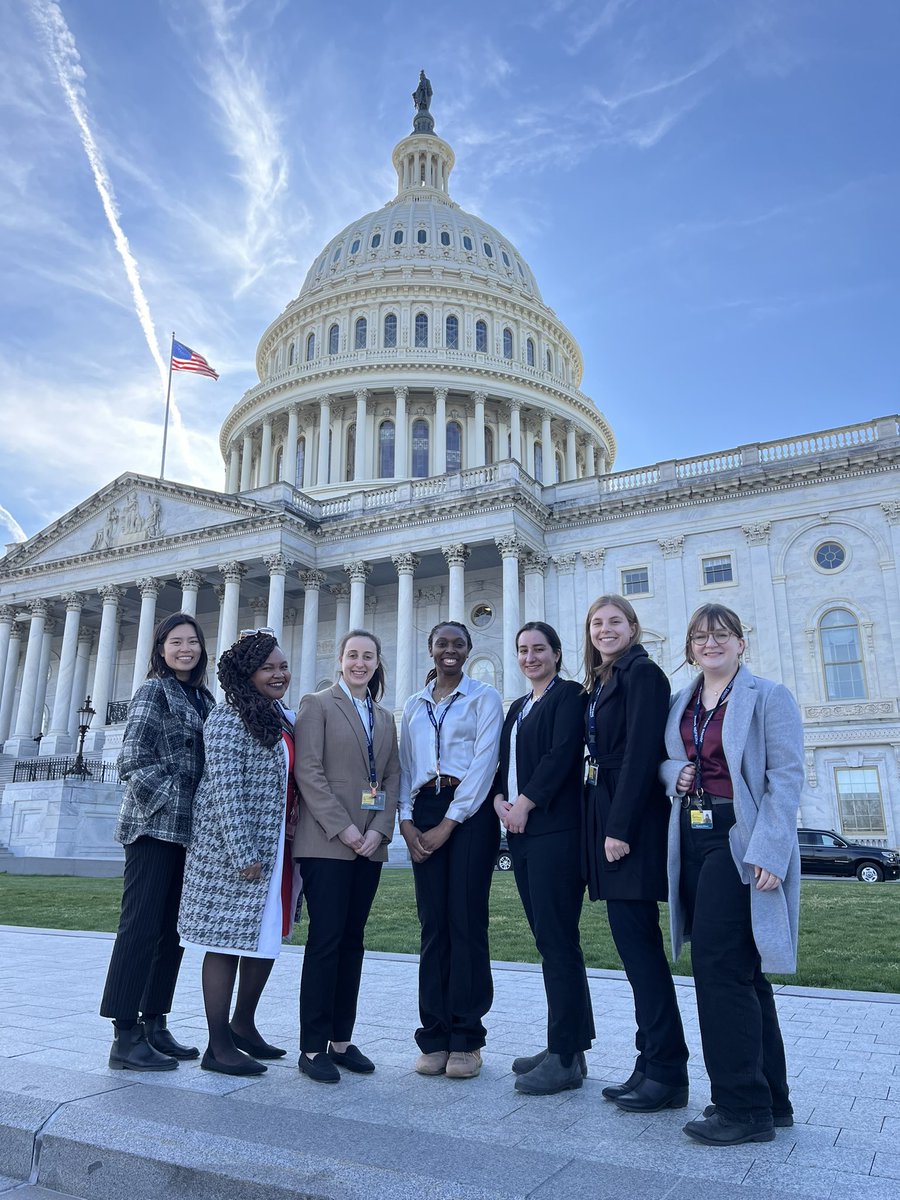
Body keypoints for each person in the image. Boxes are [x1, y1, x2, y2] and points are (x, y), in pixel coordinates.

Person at [661, 604, 803, 1146]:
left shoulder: (768, 697)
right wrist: (676, 772)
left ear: (741, 643)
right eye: (700, 636)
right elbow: (665, 760)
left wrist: (770, 851)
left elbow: (785, 778)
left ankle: (742, 1108)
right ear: (690, 647)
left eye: (721, 635)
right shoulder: (683, 702)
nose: (710, 643)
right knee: (744, 971)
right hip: (691, 838)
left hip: (739, 839)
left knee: (718, 966)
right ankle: (774, 1099)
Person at [582, 594, 690, 1112]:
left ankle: (667, 1070)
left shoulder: (642, 675)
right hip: (609, 814)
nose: (605, 630)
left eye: (615, 622)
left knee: (641, 953)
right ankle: (649, 1062)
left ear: (633, 627)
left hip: (632, 824)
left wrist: (618, 827)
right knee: (633, 951)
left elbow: (645, 750)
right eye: (597, 623)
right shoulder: (607, 678)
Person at [178, 630, 301, 1076]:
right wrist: (243, 851)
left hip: (276, 847)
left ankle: (244, 1024)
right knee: (225, 943)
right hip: (234, 852)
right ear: (247, 674)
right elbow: (226, 788)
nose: (278, 674)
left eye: (282, 666)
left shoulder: (281, 717)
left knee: (265, 938)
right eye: (268, 668)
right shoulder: (229, 718)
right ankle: (217, 1045)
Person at [100, 612, 215, 1071]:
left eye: (192, 641)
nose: (185, 649)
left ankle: (155, 1023)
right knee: (140, 927)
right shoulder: (153, 690)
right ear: (161, 649)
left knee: (172, 933)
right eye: (175, 642)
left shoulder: (204, 698)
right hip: (151, 828)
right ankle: (124, 1035)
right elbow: (132, 759)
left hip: (188, 833)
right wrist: (170, 799)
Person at [293, 630, 400, 1083]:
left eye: (368, 656)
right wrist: (346, 828)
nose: (360, 663)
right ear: (340, 661)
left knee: (353, 941)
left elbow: (391, 776)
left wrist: (377, 831)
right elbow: (308, 771)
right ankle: (312, 1046)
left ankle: (341, 1038)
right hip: (327, 843)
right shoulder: (316, 704)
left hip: (368, 847)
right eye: (352, 655)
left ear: (377, 663)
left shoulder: (383, 716)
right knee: (326, 941)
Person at [493, 622, 594, 1095]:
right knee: (548, 940)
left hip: (555, 831)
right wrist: (499, 802)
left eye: (539, 649)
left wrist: (526, 802)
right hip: (522, 831)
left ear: (557, 652)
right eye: (523, 650)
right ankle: (568, 1044)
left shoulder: (568, 696)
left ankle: (565, 1056)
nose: (530, 657)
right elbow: (502, 764)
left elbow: (561, 756)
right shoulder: (517, 707)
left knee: (557, 940)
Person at [399, 621, 503, 1079]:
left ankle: (466, 1036)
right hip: (424, 806)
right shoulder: (414, 706)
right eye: (442, 643)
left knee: (466, 920)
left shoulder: (484, 698)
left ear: (468, 650)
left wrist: (449, 822)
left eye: (458, 644)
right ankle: (434, 1034)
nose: (449, 651)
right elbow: (404, 766)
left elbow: (484, 766)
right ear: (430, 648)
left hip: (469, 812)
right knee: (433, 925)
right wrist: (405, 819)